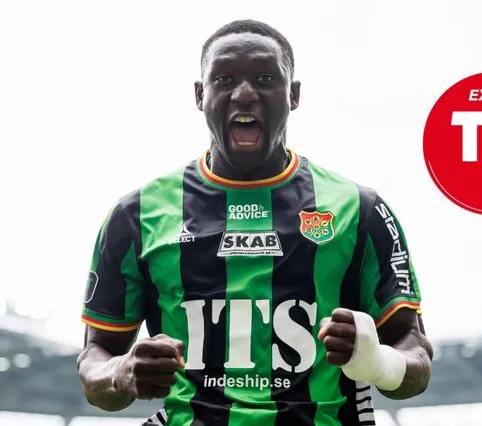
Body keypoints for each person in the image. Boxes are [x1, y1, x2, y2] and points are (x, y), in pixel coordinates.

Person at [77, 19, 433, 426]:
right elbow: (94, 361)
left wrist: (377, 361)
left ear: (293, 94)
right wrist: (120, 373)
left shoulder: (360, 210)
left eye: (265, 78)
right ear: (200, 95)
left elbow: (416, 357)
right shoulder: (137, 215)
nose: (244, 94)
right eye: (224, 79)